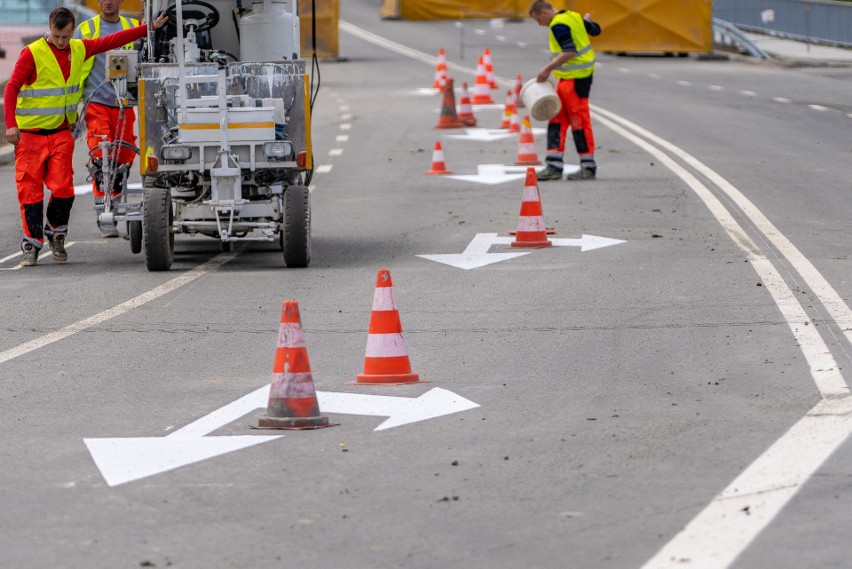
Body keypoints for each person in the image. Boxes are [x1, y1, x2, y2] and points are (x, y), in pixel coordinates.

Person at [4, 7, 168, 266]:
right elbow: (12, 87)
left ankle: (56, 234)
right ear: (50, 29)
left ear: (72, 32)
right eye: (57, 37)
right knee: (30, 192)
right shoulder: (32, 53)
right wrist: (11, 125)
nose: (61, 42)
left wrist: (149, 28)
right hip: (30, 136)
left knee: (63, 189)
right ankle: (31, 244)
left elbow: (112, 41)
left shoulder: (79, 48)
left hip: (60, 132)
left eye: (66, 37)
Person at [74, 0, 139, 237]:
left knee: (123, 158)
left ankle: (118, 205)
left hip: (124, 104)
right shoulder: (86, 29)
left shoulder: (133, 26)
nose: (108, 2)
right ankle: (104, 213)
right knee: (102, 157)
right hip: (98, 104)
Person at [529, 0, 601, 181]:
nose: (539, 24)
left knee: (579, 121)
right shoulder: (573, 17)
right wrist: (588, 22)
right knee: (557, 119)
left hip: (576, 80)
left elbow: (569, 51)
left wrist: (547, 68)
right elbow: (596, 30)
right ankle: (554, 165)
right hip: (569, 79)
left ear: (544, 12)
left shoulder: (558, 25)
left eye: (538, 20)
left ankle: (587, 167)